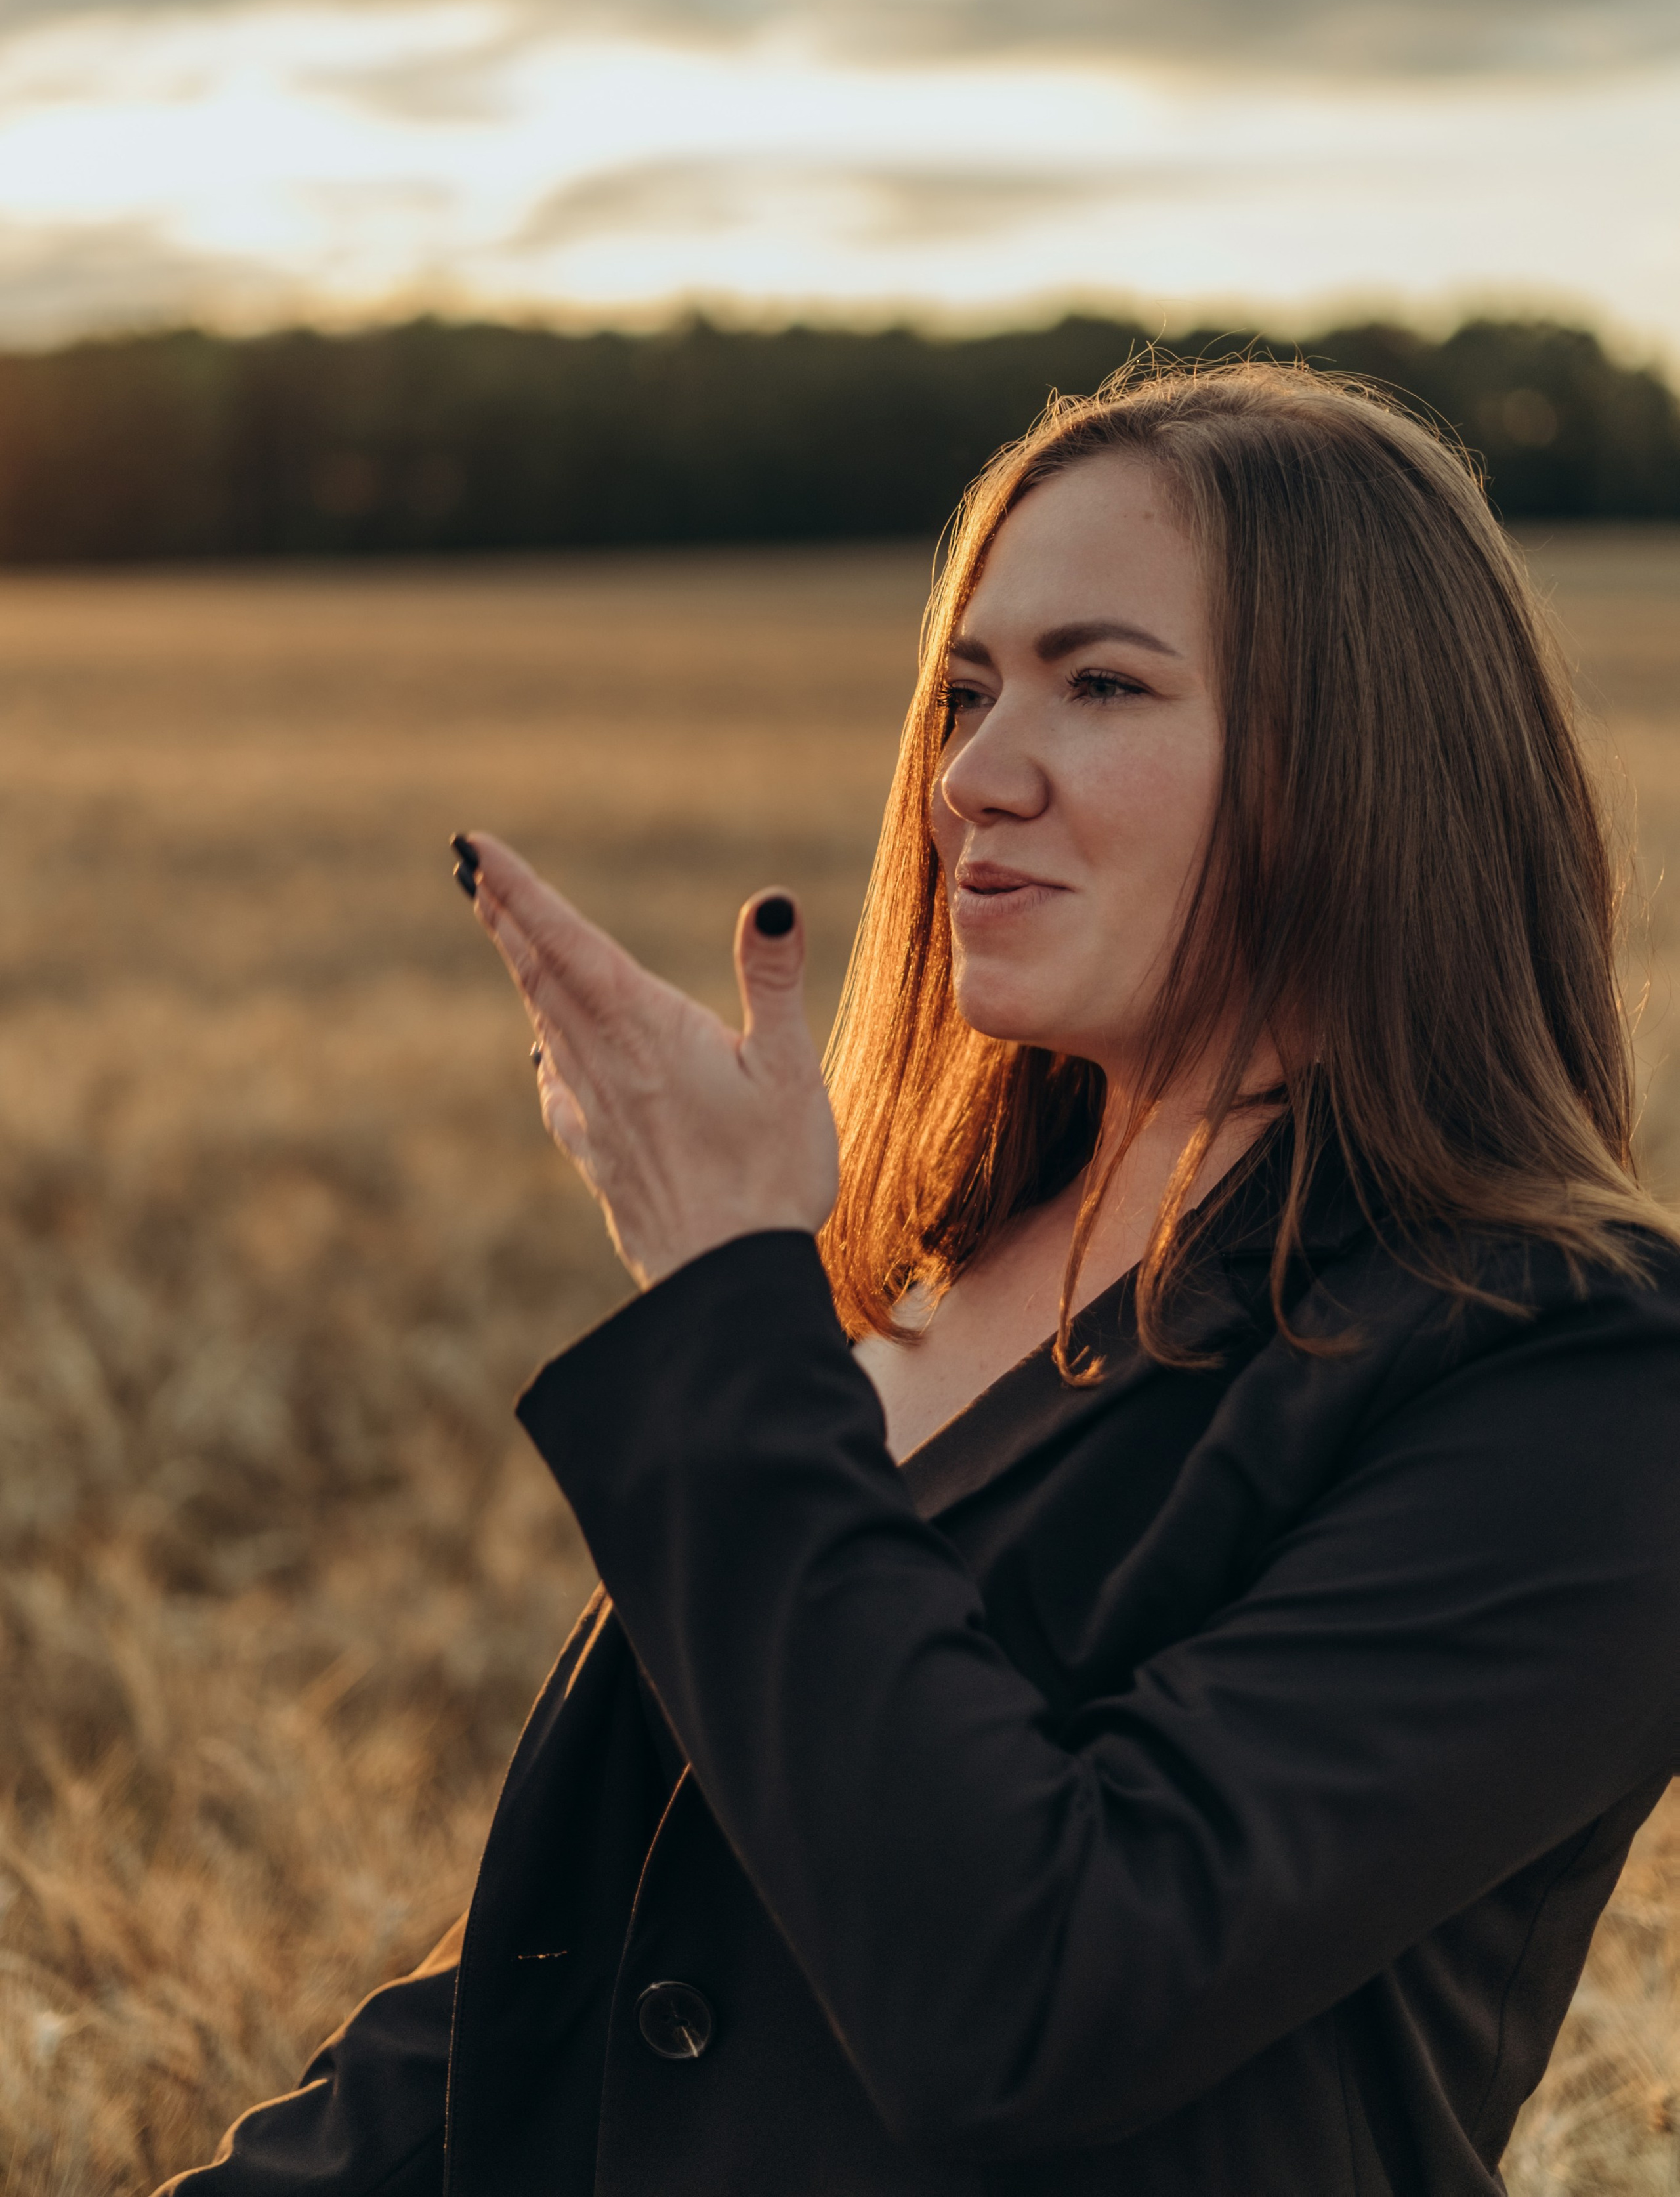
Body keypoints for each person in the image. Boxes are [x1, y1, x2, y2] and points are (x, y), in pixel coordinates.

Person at [163, 359, 1680, 2197]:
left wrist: (726, 1303)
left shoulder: (1574, 1384)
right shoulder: (930, 1278)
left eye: (1100, 683)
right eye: (965, 690)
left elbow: (1044, 1998)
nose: (969, 777)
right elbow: (579, 1987)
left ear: (1360, 754)